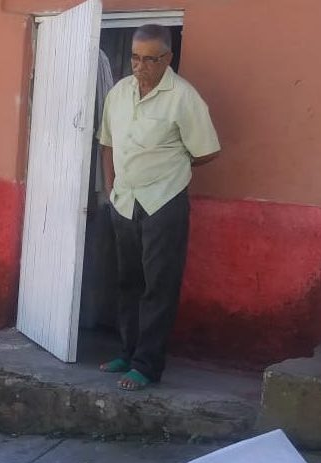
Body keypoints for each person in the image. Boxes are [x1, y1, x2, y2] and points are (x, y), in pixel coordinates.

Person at [97, 24, 220, 391]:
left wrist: (170, 168)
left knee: (158, 287)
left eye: (150, 59)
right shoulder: (118, 93)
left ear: (167, 58)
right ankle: (127, 351)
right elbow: (107, 143)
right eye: (135, 57)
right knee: (127, 282)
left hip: (163, 203)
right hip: (124, 200)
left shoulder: (184, 98)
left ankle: (147, 365)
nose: (140, 65)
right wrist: (110, 187)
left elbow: (207, 151)